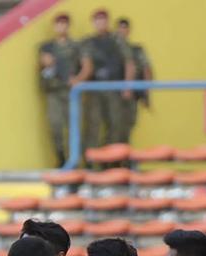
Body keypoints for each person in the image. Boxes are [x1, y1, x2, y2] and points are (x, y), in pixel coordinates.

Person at [77, 9, 134, 157]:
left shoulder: (118, 40)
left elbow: (129, 63)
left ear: (108, 22)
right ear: (93, 23)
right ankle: (90, 161)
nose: (100, 23)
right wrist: (78, 81)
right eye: (97, 20)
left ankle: (111, 161)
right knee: (92, 125)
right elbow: (86, 66)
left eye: (103, 20)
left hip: (114, 87)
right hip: (95, 88)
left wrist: (128, 85)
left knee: (115, 125)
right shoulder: (88, 42)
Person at [38, 13, 83, 168]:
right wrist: (47, 64)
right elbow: (43, 65)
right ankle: (61, 158)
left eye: (64, 23)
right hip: (53, 91)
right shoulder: (47, 47)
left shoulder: (76, 46)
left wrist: (78, 79)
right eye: (58, 23)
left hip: (71, 92)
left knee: (73, 128)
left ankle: (74, 160)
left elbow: (85, 65)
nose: (61, 26)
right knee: (55, 126)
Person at [116, 18, 152, 143]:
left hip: (131, 95)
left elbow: (146, 70)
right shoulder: (112, 50)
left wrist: (146, 94)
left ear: (129, 30)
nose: (122, 30)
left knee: (128, 125)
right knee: (115, 126)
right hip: (113, 94)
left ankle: (123, 158)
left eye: (124, 27)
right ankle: (113, 159)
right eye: (120, 27)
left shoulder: (137, 50)